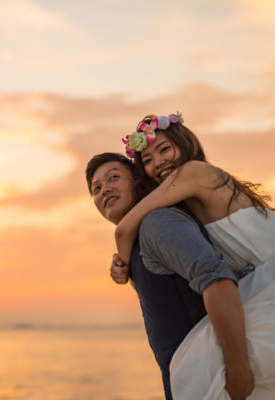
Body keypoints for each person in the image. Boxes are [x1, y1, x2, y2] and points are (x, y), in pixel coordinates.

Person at [113, 112, 275, 399]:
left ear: (185, 143)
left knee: (195, 370)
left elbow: (123, 230)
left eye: (164, 149)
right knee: (210, 373)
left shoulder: (195, 172)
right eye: (147, 161)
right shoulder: (185, 206)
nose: (158, 163)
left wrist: (125, 265)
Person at [85, 153, 254, 400]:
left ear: (137, 181)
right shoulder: (139, 240)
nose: (105, 190)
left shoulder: (157, 223)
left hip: (216, 382)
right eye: (96, 188)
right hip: (193, 382)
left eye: (114, 178)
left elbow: (218, 283)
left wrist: (239, 374)